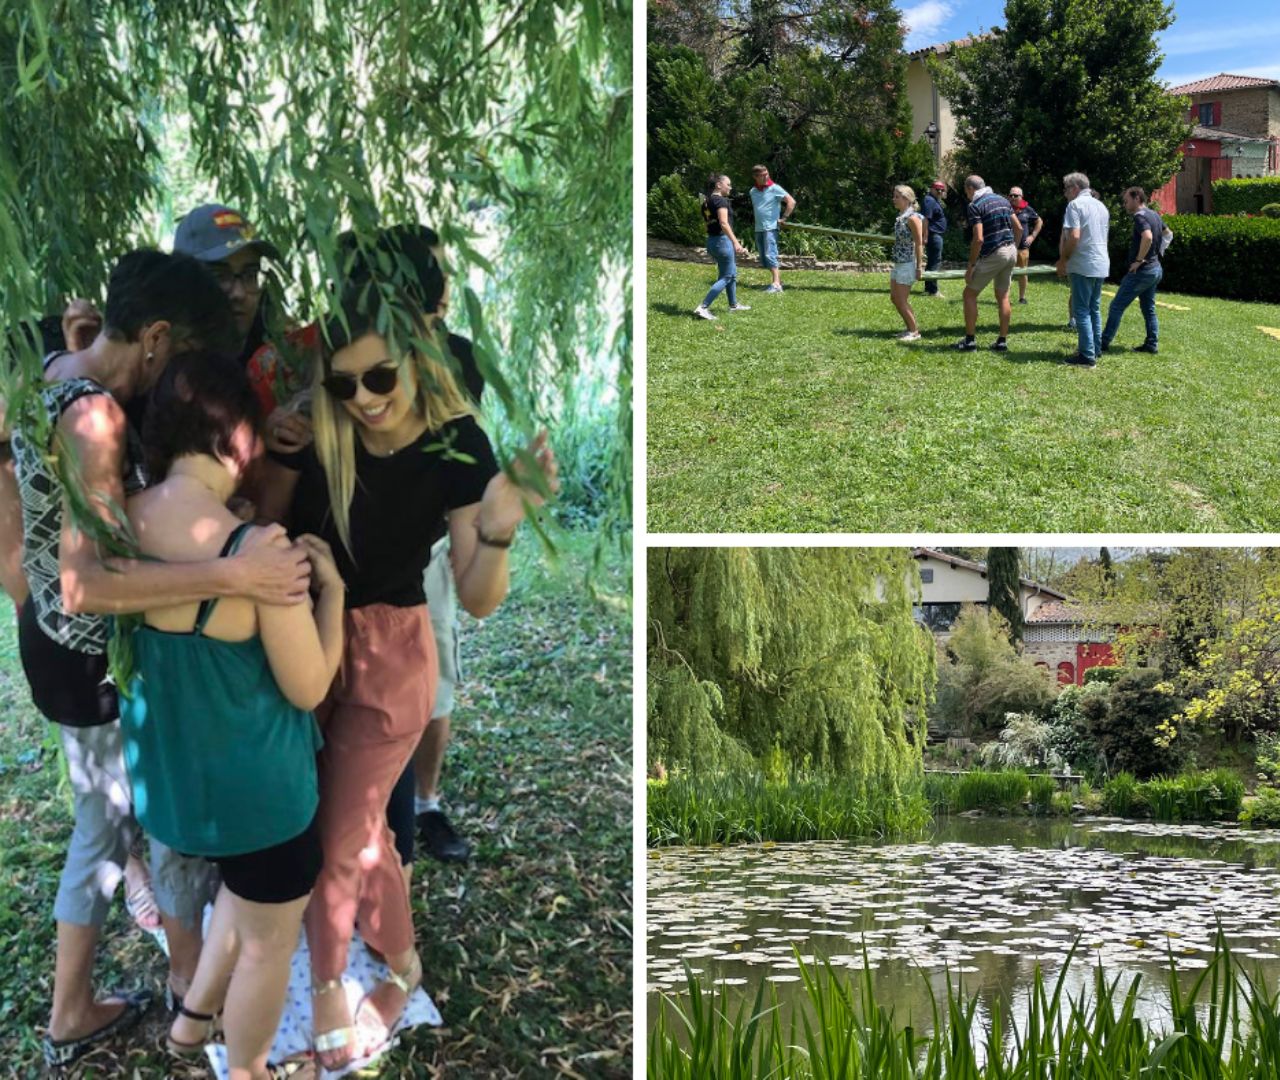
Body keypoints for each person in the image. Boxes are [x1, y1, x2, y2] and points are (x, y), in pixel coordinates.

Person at [258, 226, 559, 1070]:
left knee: (341, 837)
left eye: (381, 377)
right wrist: (279, 460)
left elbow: (474, 595)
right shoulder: (320, 418)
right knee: (355, 832)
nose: (363, 397)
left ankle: (331, 983)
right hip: (301, 638)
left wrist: (497, 530)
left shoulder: (458, 441)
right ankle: (402, 957)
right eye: (346, 381)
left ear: (420, 350)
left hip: (390, 656)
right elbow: (269, 521)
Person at [5, 250, 311, 1069]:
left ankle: (150, 993)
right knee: (104, 834)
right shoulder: (97, 417)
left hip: (51, 647)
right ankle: (106, 1001)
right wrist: (234, 570)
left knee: (104, 830)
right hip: (81, 653)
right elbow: (85, 584)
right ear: (157, 337)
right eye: (179, 365)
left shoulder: (59, 368)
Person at [120, 351, 342, 1080]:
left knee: (244, 911)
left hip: (178, 793)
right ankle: (250, 1068)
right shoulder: (255, 550)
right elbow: (308, 685)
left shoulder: (119, 522)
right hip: (263, 800)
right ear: (237, 441)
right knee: (269, 943)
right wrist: (332, 598)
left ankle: (189, 1029)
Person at [955, 175, 1022, 352]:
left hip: (994, 253)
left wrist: (971, 266)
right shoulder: (1002, 199)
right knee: (1003, 296)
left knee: (969, 294)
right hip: (1010, 252)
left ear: (970, 189)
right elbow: (1019, 228)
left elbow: (978, 239)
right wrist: (1013, 246)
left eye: (966, 191)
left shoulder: (975, 206)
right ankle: (1001, 342)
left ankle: (969, 341)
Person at [1099, 187, 1163, 355]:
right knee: (1148, 307)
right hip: (1155, 269)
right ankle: (1151, 344)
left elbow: (1147, 236)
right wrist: (1157, 253)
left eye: (1126, 200)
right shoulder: (1154, 214)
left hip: (1142, 271)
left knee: (1116, 306)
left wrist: (1139, 260)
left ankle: (1103, 342)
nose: (1124, 204)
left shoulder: (1140, 217)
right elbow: (1167, 233)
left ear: (1136, 198)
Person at [1056, 173, 1111, 367]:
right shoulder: (1101, 206)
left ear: (1074, 188)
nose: (1065, 194)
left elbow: (1074, 236)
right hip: (1101, 263)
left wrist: (1063, 260)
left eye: (1065, 189)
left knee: (1081, 310)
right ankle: (1095, 349)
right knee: (1094, 308)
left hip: (1083, 264)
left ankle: (1087, 356)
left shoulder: (1075, 205)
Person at [693, 174, 751, 321]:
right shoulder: (720, 201)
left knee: (730, 273)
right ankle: (703, 307)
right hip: (722, 241)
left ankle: (733, 305)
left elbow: (708, 223)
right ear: (719, 185)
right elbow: (724, 224)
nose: (730, 187)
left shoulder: (706, 201)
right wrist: (736, 243)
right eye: (728, 184)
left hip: (712, 241)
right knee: (727, 276)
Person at [748, 165, 795, 294]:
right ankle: (778, 281)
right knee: (763, 258)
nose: (766, 177)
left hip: (771, 228)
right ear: (755, 177)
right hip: (759, 228)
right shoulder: (753, 191)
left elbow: (791, 202)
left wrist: (784, 218)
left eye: (767, 173)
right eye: (763, 175)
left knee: (770, 255)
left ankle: (776, 285)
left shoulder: (775, 188)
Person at [888, 185, 925, 342]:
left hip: (908, 263)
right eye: (894, 196)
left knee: (901, 300)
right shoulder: (902, 216)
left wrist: (919, 266)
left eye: (897, 196)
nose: (894, 199)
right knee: (895, 298)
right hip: (898, 262)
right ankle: (909, 328)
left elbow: (919, 243)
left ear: (907, 199)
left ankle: (914, 332)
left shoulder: (913, 218)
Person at [1009, 185, 1041, 304]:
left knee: (1023, 272)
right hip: (1008, 248)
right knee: (1007, 273)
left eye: (1015, 195)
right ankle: (1005, 298)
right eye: (1010, 195)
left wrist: (1033, 236)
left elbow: (1039, 221)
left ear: (1021, 197)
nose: (1012, 197)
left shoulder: (1027, 209)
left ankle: (1022, 298)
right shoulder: (1006, 208)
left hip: (1023, 248)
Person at [921, 181, 948, 298]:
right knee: (935, 263)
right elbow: (925, 219)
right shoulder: (930, 200)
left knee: (932, 262)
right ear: (931, 189)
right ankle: (933, 290)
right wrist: (925, 236)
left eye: (942, 190)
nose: (940, 192)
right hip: (933, 235)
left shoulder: (933, 201)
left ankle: (928, 288)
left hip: (935, 235)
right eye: (937, 189)